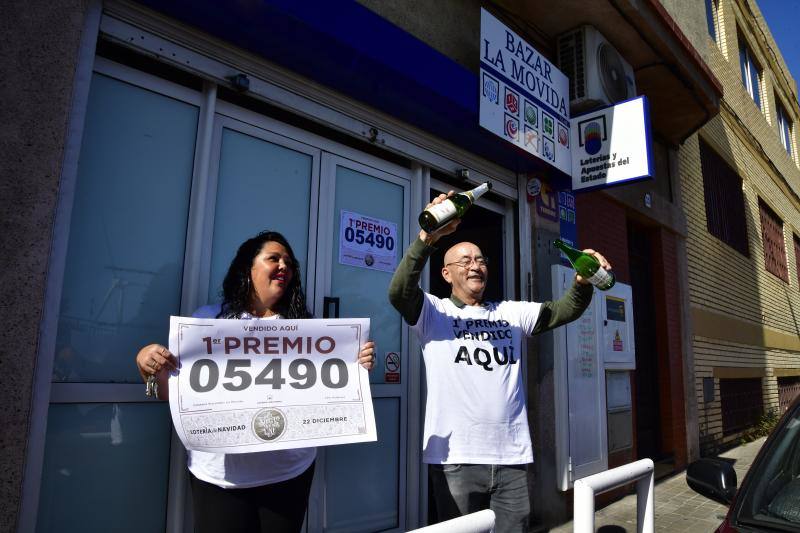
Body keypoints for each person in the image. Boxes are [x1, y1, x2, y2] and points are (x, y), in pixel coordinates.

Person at [388, 192, 611, 532]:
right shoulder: (434, 313)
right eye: (464, 261)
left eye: (480, 259)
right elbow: (400, 291)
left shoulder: (510, 312)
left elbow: (564, 311)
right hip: (455, 460)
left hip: (511, 458)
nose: (475, 265)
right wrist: (427, 238)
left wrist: (582, 283)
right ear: (446, 274)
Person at [135, 230, 376, 533]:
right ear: (247, 268)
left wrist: (358, 366)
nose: (284, 266)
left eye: (289, 262)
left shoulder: (308, 329)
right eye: (273, 258)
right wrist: (148, 366)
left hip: (290, 473)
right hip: (220, 479)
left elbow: (334, 387)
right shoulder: (209, 321)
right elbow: (167, 394)